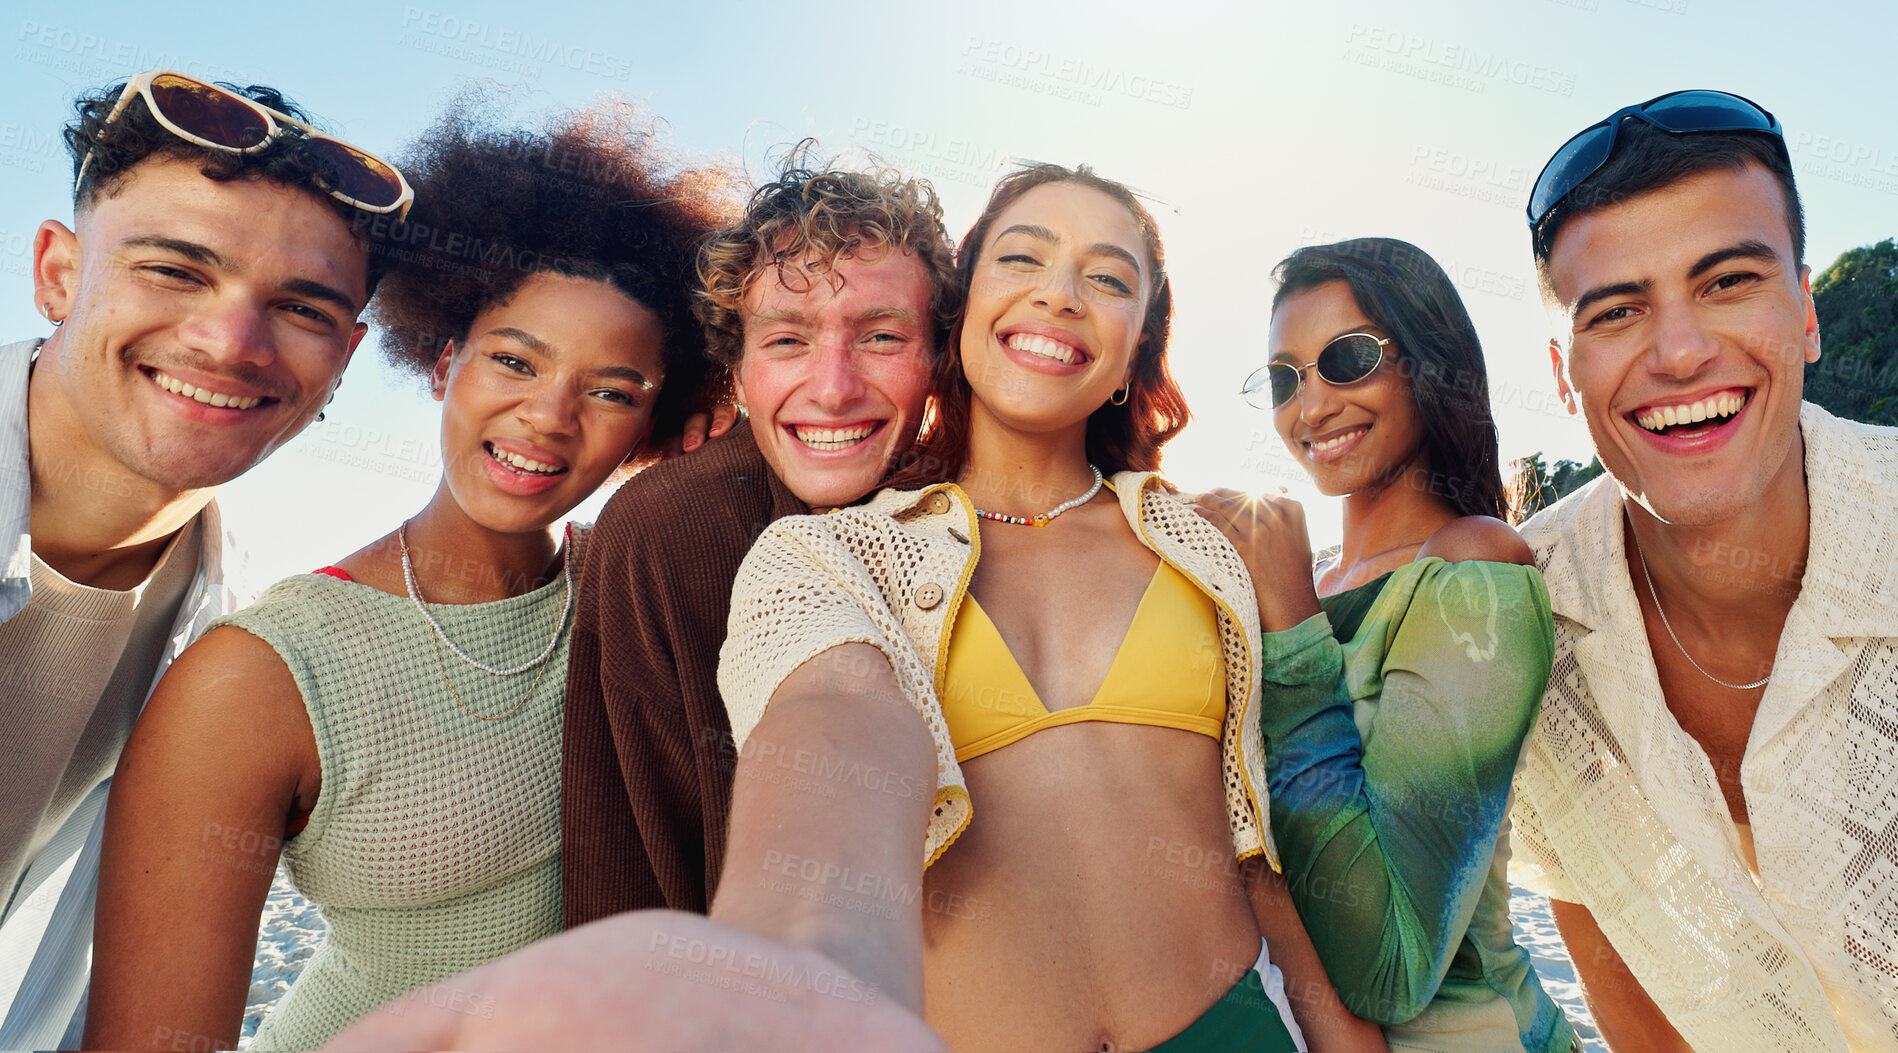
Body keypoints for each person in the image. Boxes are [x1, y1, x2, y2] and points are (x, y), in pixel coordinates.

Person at [83, 98, 736, 1051]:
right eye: (514, 360)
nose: (548, 417)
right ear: (442, 360)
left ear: (654, 426)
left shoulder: (644, 596)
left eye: (611, 390)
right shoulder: (257, 674)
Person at [706, 163, 1383, 1052]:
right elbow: (825, 725)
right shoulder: (828, 556)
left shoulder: (1207, 546)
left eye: (1107, 278)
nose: (1059, 295)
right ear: (961, 313)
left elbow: (1258, 849)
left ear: (1134, 349)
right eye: (1021, 259)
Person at [0, 69, 404, 1049]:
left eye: (303, 308)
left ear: (344, 359)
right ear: (59, 272)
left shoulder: (250, 642)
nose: (229, 343)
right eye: (175, 270)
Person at [1508, 89, 1898, 1052]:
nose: (1679, 352)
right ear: (1564, 376)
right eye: (1618, 310)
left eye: (1728, 281)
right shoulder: (1521, 626)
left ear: (1807, 314)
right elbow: (1640, 1011)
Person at [561, 153, 956, 924]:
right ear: (735, 373)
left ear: (938, 357)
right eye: (786, 341)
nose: (834, 386)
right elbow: (625, 860)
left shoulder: (980, 507)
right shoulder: (662, 530)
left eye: (880, 336)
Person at [1226, 237, 1576, 1051]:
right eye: (1285, 378)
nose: (1310, 408)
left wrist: (1288, 622)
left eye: (1347, 360)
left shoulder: (1475, 566)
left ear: (1427, 362)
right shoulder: (1302, 579)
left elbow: (1389, 967)